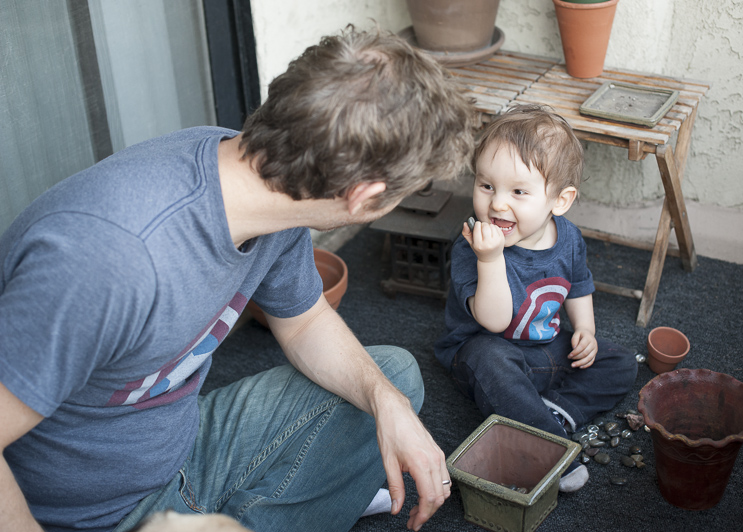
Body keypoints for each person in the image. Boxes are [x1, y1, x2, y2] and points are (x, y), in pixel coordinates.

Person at [0, 27, 476, 532]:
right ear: (363, 197)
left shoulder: (267, 190)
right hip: (85, 516)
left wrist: (387, 405)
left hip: (179, 451)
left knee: (392, 380)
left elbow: (304, 323)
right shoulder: (108, 260)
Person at [434, 105, 637, 493]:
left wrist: (587, 331)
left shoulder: (569, 237)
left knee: (621, 363)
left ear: (559, 201)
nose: (496, 204)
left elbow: (578, 285)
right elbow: (493, 320)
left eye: (519, 192)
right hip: (486, 352)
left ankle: (554, 413)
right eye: (486, 185)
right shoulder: (472, 246)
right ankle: (554, 453)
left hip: (547, 348)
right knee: (490, 360)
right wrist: (489, 259)